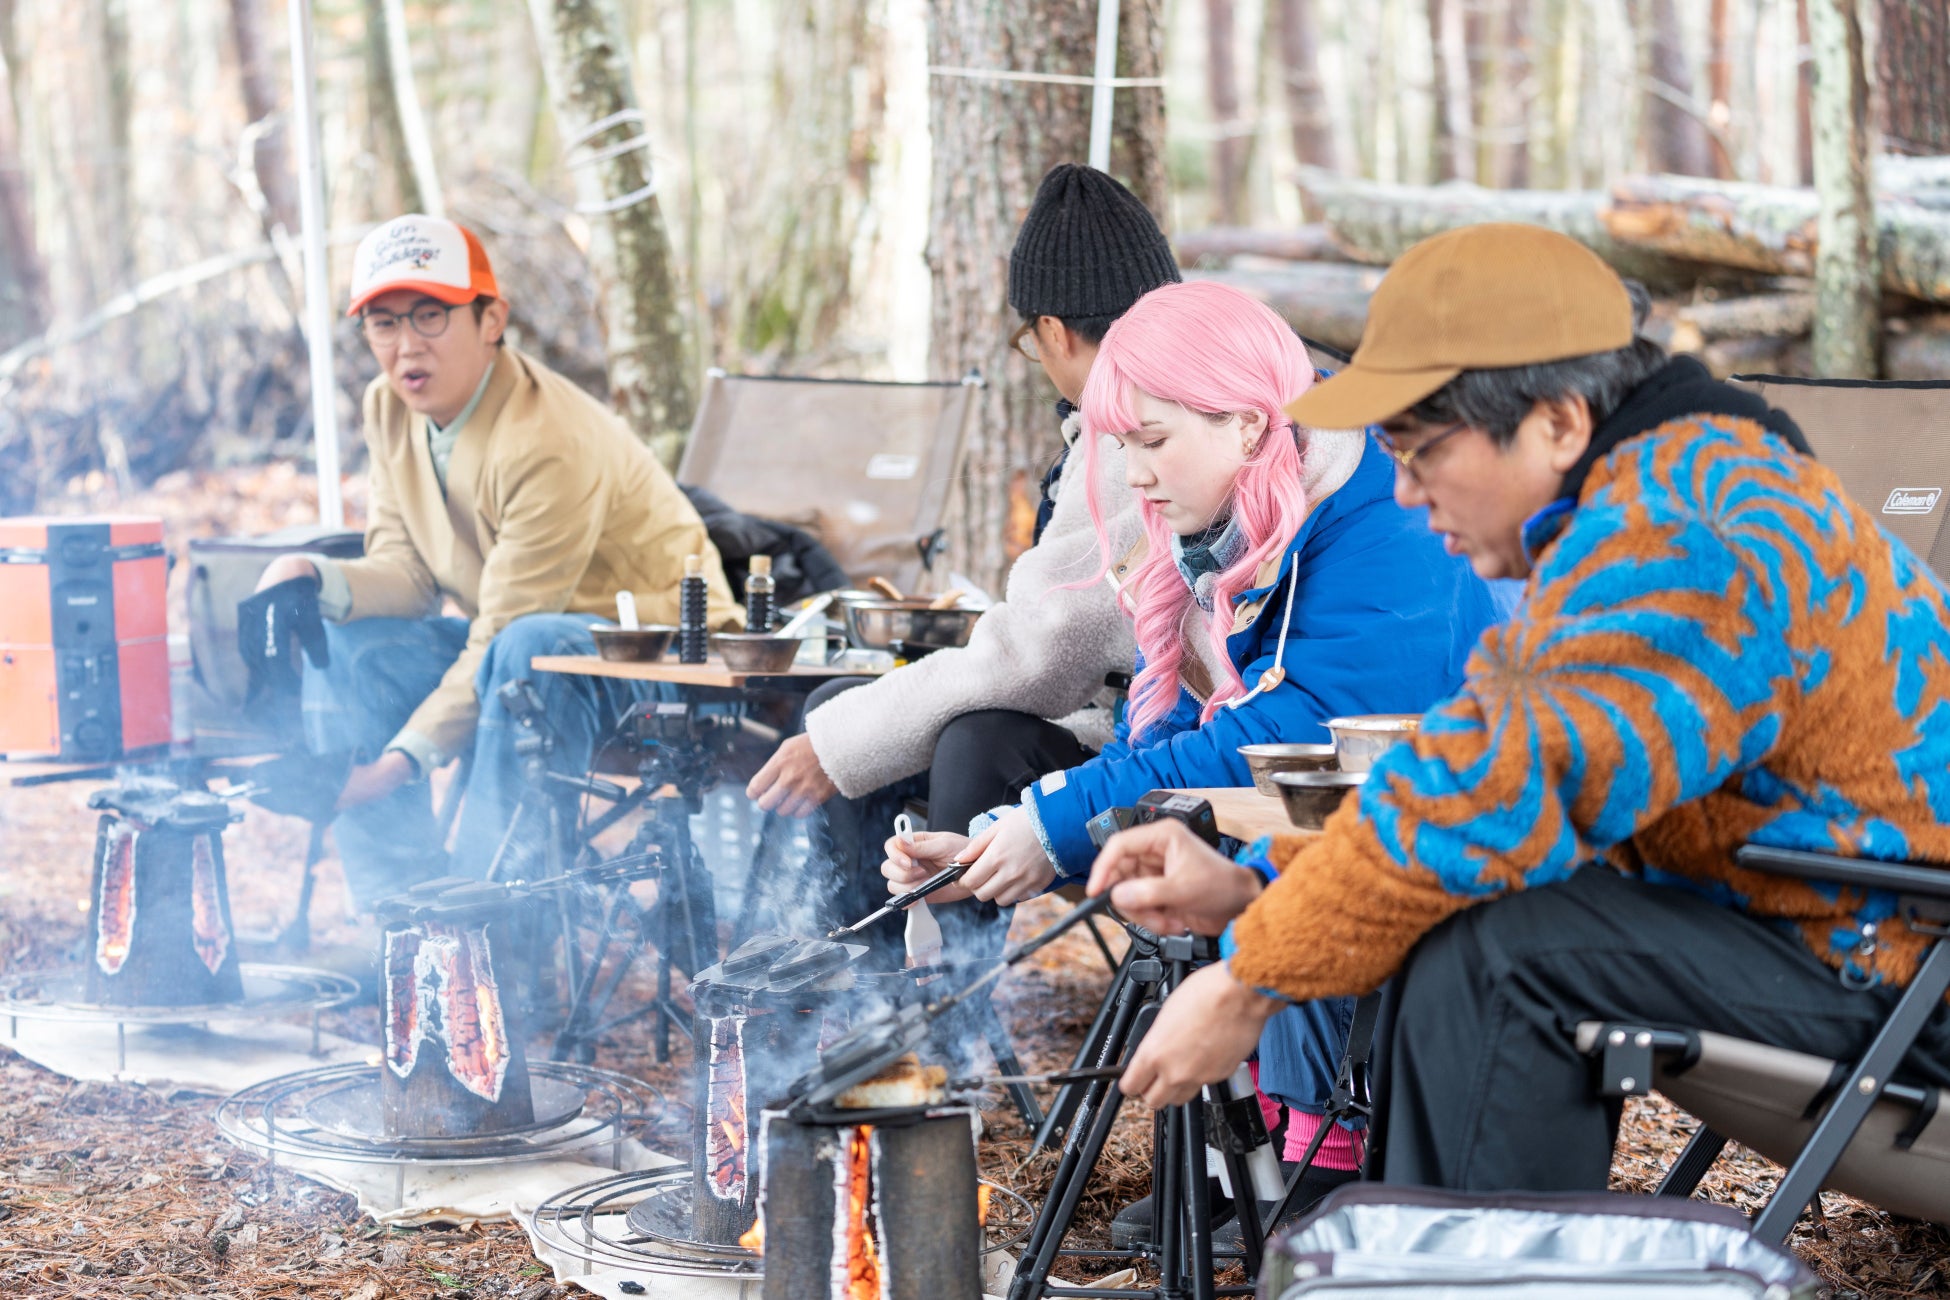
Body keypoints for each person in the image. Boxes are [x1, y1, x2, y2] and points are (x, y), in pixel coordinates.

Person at [1087, 222, 1950, 1194]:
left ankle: (1471, 1268)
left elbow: (1508, 787)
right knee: (1478, 919)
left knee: (1505, 954)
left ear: (1558, 422)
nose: (1405, 493)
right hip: (1832, 934)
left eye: (1420, 448)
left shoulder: (1692, 538)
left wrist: (1250, 977)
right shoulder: (1636, 511)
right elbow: (1482, 755)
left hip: (1907, 972)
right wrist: (1261, 884)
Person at [883, 279, 1500, 1214]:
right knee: (1204, 845)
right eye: (1122, 447)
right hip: (1373, 815)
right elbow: (1170, 737)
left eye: (1153, 440)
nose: (1132, 475)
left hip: (1463, 835)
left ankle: (1322, 1166)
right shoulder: (1245, 519)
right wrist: (1008, 838)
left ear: (1249, 427)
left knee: (1276, 851)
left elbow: (1290, 737)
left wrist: (1057, 821)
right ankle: (1235, 1171)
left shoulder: (1377, 518)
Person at [743, 163, 1177, 955]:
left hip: (1155, 741)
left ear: (1052, 330)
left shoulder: (1138, 434)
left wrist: (837, 747)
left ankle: (943, 1010)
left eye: (1030, 342)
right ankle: (866, 984)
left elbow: (1040, 657)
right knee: (846, 701)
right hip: (1126, 718)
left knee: (976, 742)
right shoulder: (1146, 410)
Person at [252, 213, 740, 907]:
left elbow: (507, 629)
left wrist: (388, 768)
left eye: (430, 316)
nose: (405, 346)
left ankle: (493, 931)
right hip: (519, 644)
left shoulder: (548, 439)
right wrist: (310, 580)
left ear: (490, 319)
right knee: (354, 645)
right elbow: (409, 574)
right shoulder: (389, 409)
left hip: (664, 660)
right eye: (383, 323)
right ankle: (400, 921)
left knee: (526, 649)